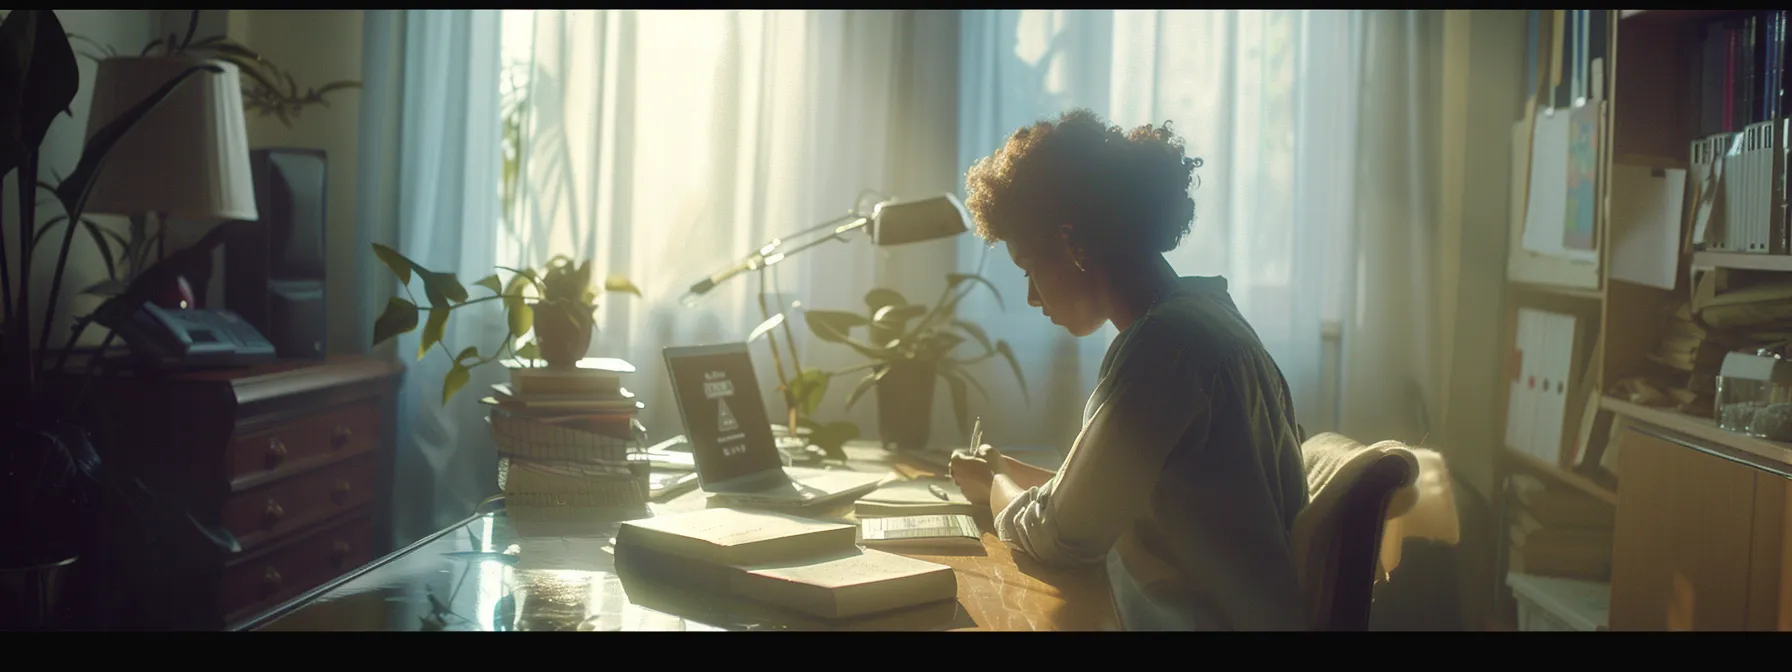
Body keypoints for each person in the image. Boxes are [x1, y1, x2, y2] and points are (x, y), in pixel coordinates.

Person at [949, 109, 1310, 631]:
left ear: (1073, 244)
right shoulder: (1208, 316)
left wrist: (995, 485)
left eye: (1029, 269)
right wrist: (1004, 469)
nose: (1030, 296)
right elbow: (1116, 498)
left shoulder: (1164, 348)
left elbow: (1065, 536)